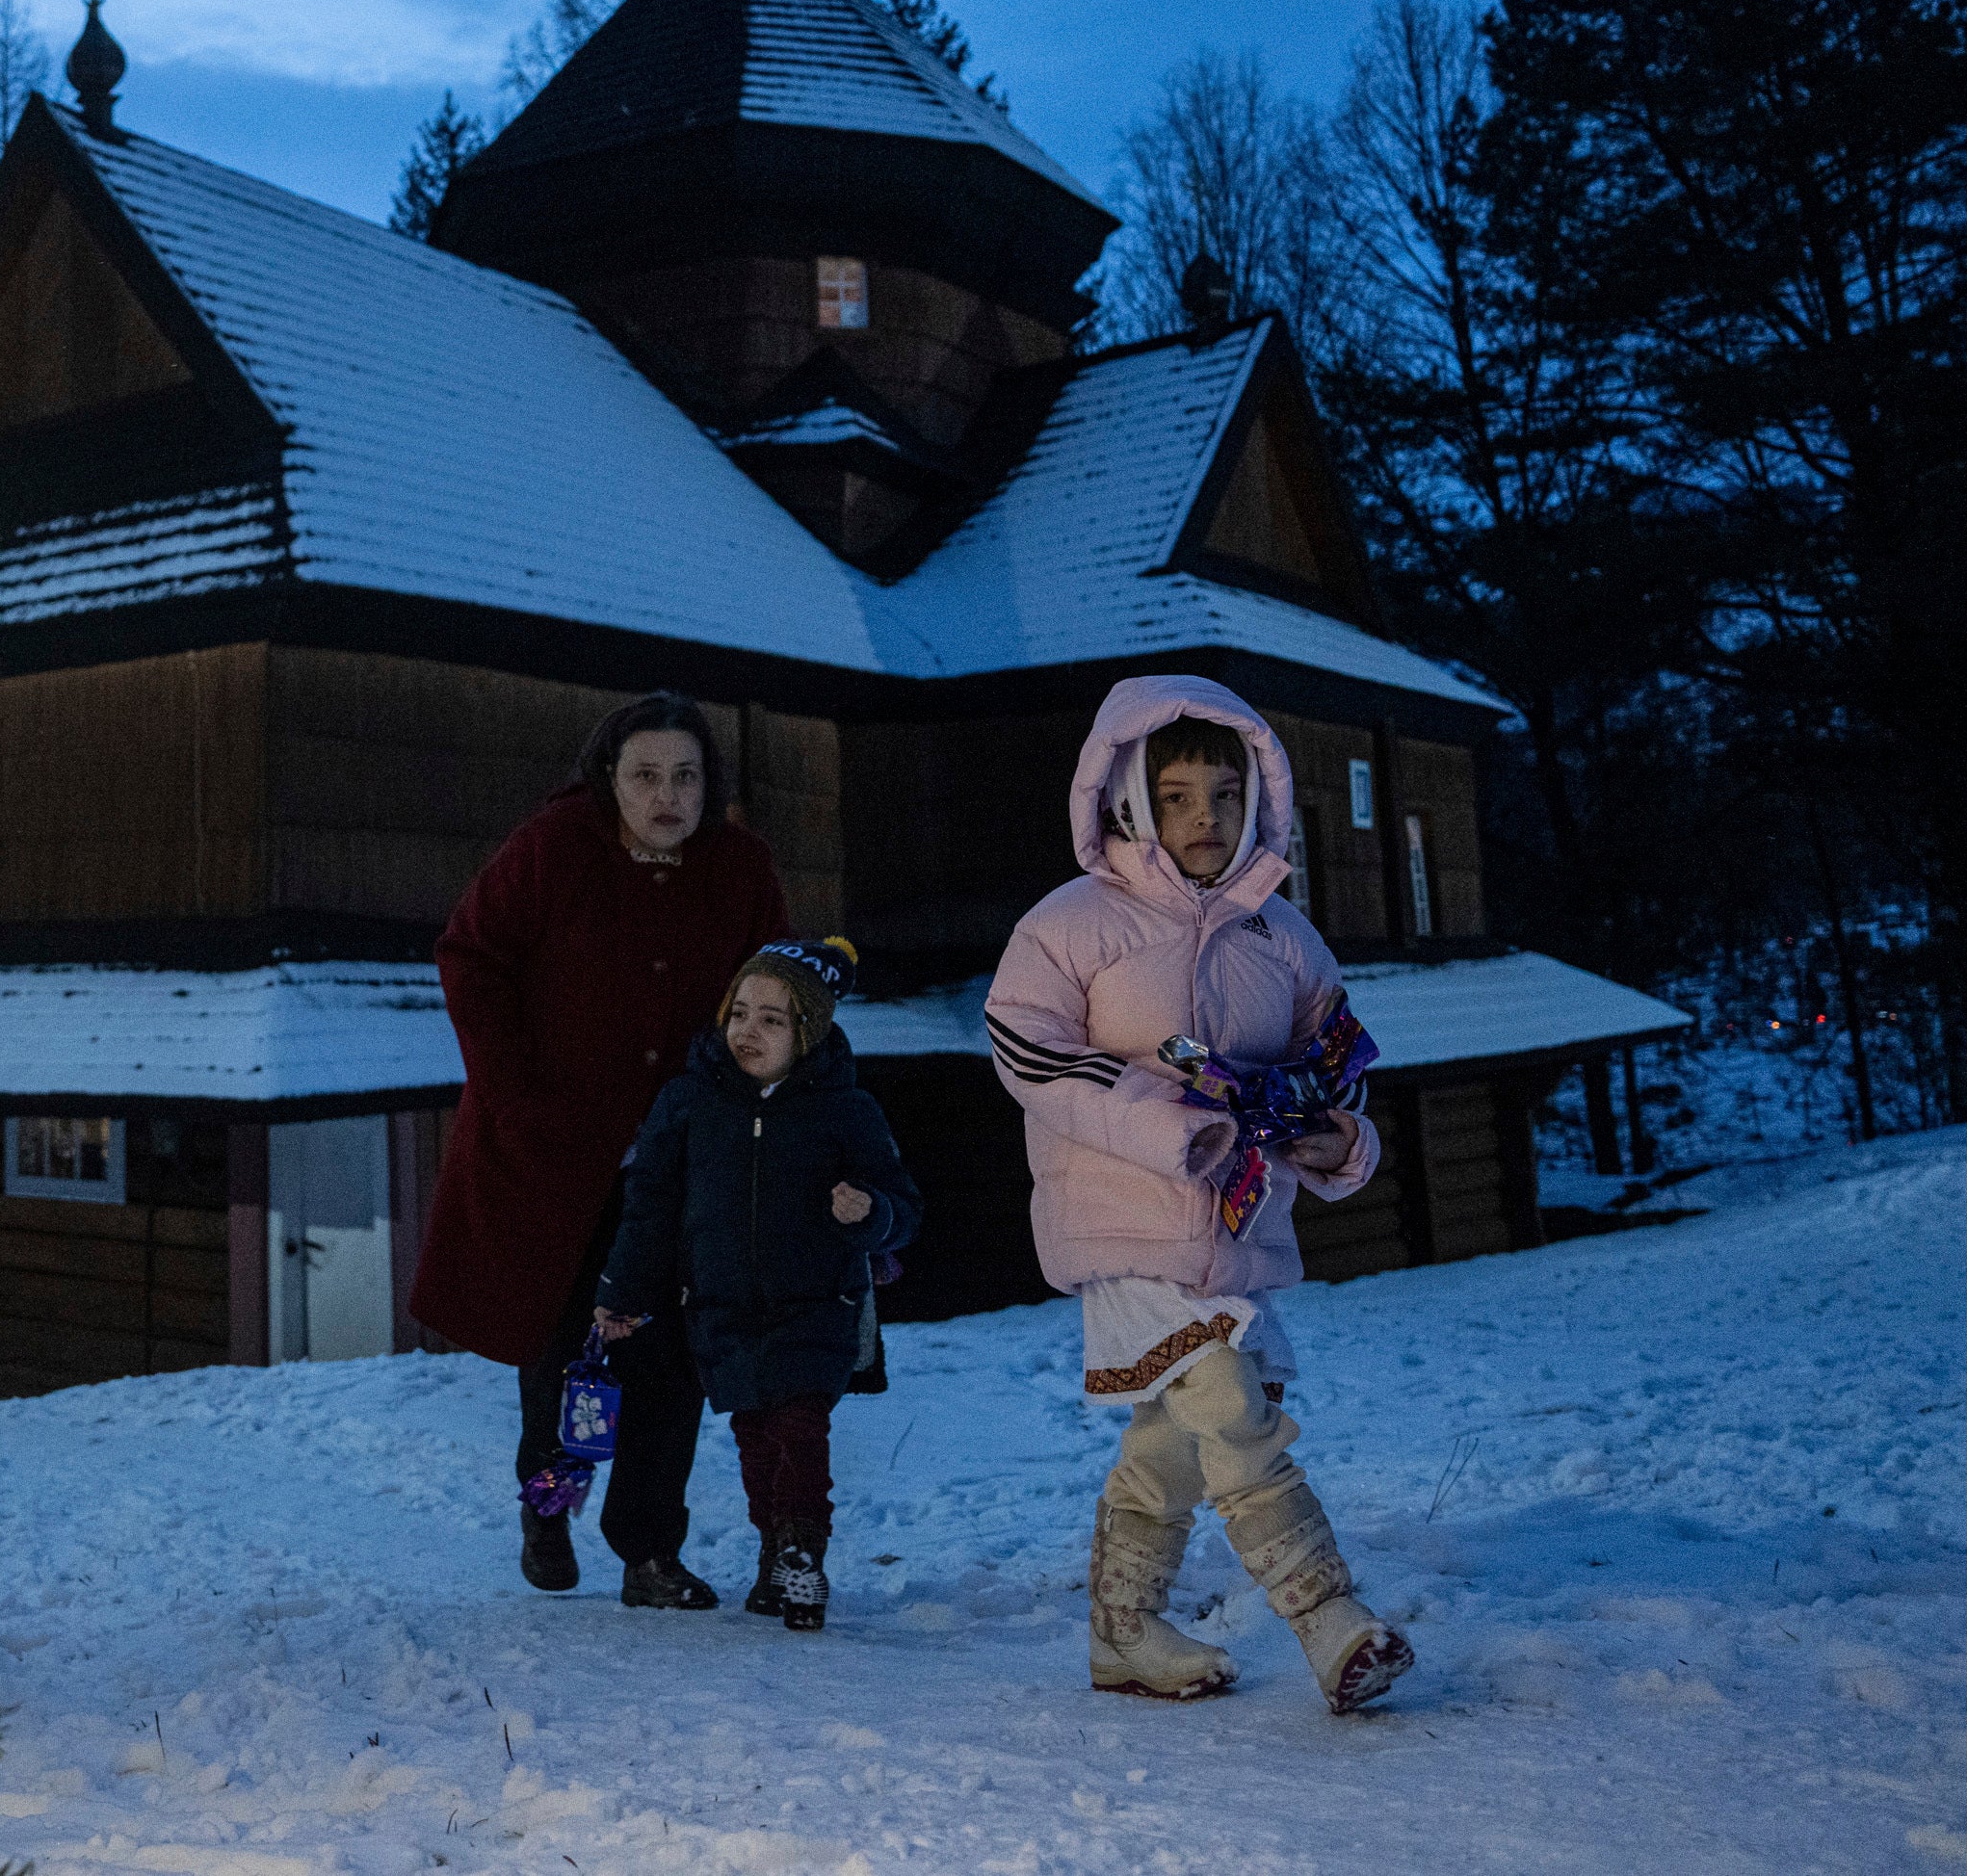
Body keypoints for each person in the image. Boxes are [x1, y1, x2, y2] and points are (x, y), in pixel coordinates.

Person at [986, 672, 1415, 1714]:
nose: (1204, 819)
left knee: (1178, 1436)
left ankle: (1121, 1633)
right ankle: (1326, 1619)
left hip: (1238, 1231)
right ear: (1130, 795)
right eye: (1176, 795)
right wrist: (1178, 1127)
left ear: (1256, 799)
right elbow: (1023, 1049)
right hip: (1123, 1226)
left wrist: (1330, 1130)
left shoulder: (1282, 934)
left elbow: (1334, 1057)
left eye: (1224, 795)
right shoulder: (1069, 924)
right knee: (1227, 1403)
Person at [407, 691, 791, 1608]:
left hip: (680, 1164)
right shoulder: (552, 851)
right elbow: (469, 955)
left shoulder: (740, 868)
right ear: (607, 778)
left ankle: (648, 1550)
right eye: (646, 775)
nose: (668, 795)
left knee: (673, 1358)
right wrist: (516, 1091)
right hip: (556, 1159)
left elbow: (777, 989)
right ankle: (549, 1502)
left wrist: (754, 1106)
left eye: (687, 775)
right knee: (566, 1347)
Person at [593, 936, 919, 1631]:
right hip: (720, 1309)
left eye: (771, 1018)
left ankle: (803, 1545)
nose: (748, 1029)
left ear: (810, 1030)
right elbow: (648, 1205)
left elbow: (903, 1209)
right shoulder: (688, 1102)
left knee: (802, 1426)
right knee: (756, 1437)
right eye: (739, 1011)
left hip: (818, 1306)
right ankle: (776, 1551)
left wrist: (870, 1211)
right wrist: (620, 1289)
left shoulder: (846, 1109)